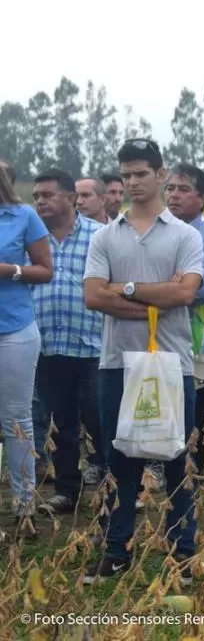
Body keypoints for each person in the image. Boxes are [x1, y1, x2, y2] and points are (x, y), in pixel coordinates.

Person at [82, 138, 203, 585]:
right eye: (125, 174)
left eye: (140, 174)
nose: (132, 182)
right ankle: (117, 551)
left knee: (175, 458)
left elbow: (185, 293)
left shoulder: (184, 235)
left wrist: (125, 289)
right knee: (119, 459)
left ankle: (182, 554)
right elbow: (93, 295)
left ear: (160, 174)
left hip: (171, 364)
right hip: (117, 363)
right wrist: (156, 295)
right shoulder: (104, 235)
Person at [29, 169, 103, 515]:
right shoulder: (31, 238)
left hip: (93, 345)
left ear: (71, 198)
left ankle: (113, 486)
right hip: (47, 344)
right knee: (61, 425)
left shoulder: (101, 236)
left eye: (47, 194)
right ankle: (67, 490)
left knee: (101, 420)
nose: (40, 201)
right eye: (36, 196)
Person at [162, 164, 204, 480]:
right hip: (162, 330)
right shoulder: (154, 234)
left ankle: (194, 474)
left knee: (200, 409)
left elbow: (197, 290)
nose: (174, 195)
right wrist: (173, 283)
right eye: (170, 188)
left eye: (183, 189)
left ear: (202, 199)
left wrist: (166, 286)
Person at [0, 158, 53, 535]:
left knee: (16, 419)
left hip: (13, 330)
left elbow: (44, 269)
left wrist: (9, 271)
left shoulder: (23, 216)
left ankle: (24, 507)